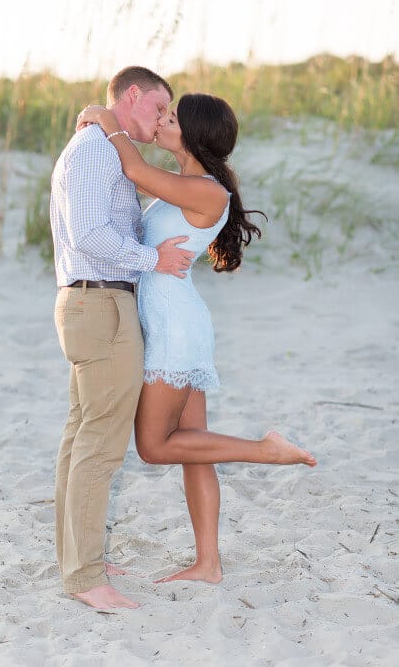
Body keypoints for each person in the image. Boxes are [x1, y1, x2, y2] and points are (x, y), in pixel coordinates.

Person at [76, 93, 315, 586]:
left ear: (194, 135)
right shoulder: (185, 187)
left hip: (173, 328)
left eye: (170, 117)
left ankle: (264, 450)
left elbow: (137, 172)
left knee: (154, 446)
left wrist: (105, 119)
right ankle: (208, 564)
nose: (161, 121)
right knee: (192, 447)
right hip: (171, 321)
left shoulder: (208, 192)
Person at [48, 66, 196, 610]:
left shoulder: (102, 144)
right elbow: (89, 233)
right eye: (158, 108)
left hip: (93, 301)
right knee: (100, 445)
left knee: (80, 433)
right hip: (101, 300)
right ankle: (85, 576)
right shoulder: (93, 150)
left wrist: (104, 120)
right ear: (131, 95)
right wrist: (150, 258)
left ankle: (77, 556)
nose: (161, 120)